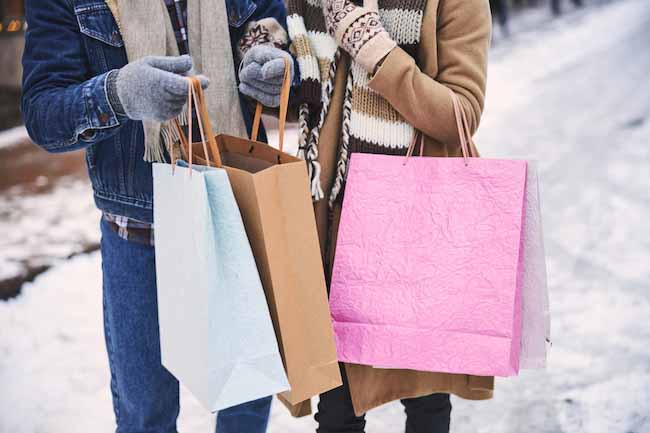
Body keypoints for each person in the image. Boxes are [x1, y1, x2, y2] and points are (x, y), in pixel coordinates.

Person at [21, 0, 292, 432]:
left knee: (246, 396)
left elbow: (273, 27)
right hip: (138, 236)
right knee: (146, 416)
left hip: (237, 212)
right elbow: (42, 112)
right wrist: (118, 94)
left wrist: (274, 60)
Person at [239, 0, 492, 431]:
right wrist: (274, 53)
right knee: (337, 412)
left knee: (427, 403)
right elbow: (307, 71)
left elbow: (461, 115)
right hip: (334, 236)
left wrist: (376, 50)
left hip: (415, 235)